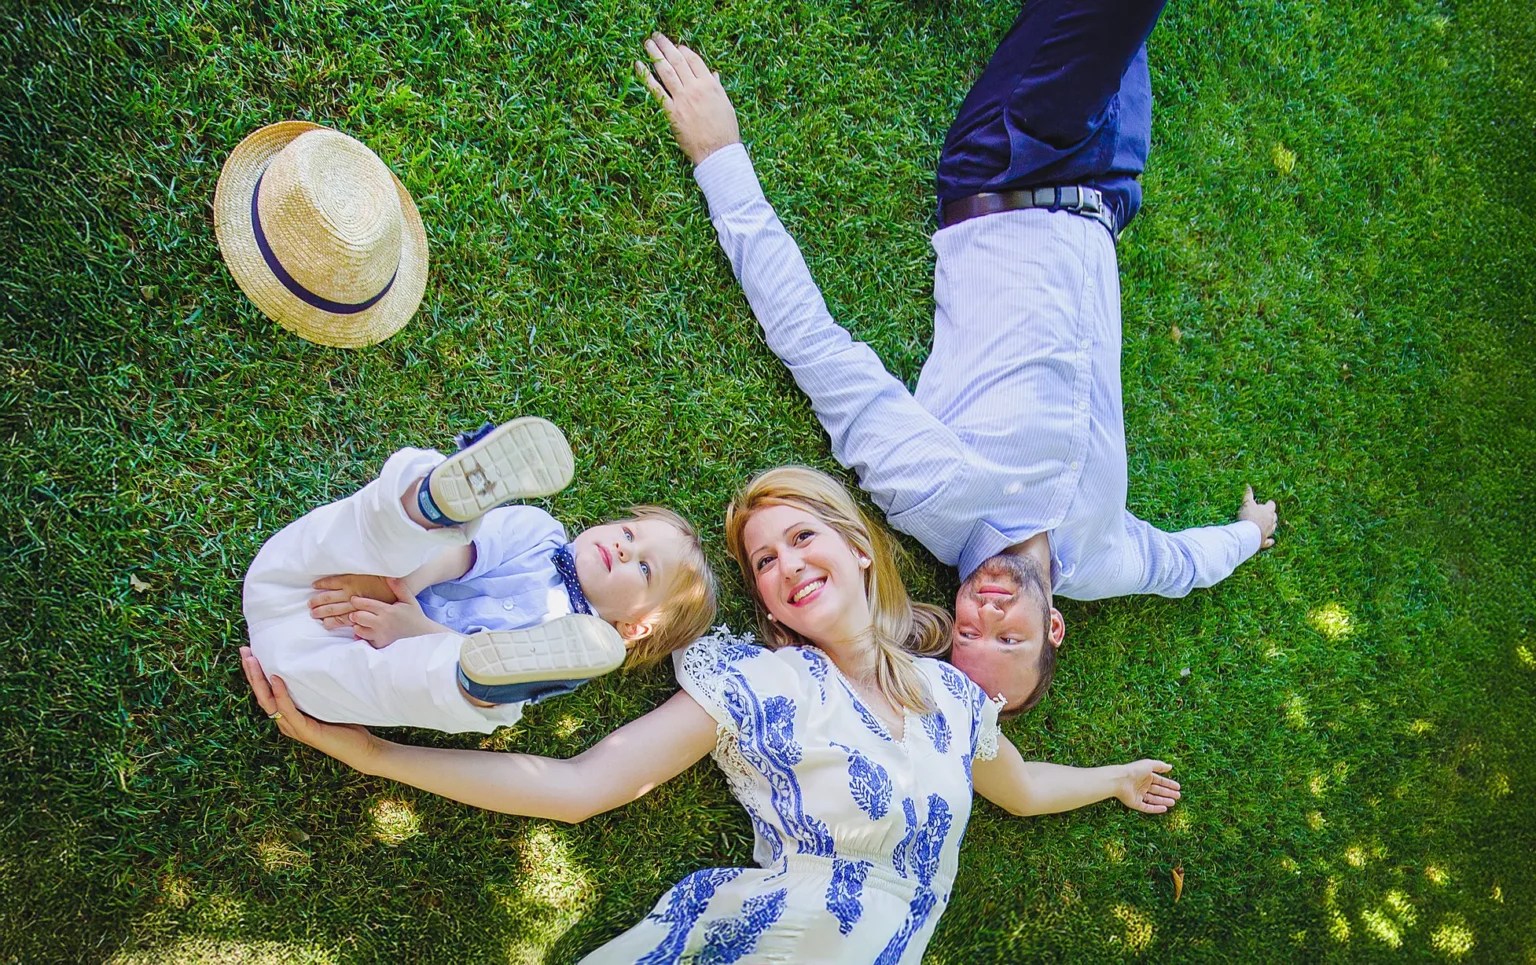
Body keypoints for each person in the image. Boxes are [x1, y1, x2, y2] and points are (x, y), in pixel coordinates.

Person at [242, 465, 1181, 963]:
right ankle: (447, 577)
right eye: (765, 564)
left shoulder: (954, 701)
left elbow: (1015, 789)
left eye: (801, 537)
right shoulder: (763, 686)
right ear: (768, 610)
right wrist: (371, 757)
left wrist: (1115, 779)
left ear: (857, 551)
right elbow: (582, 787)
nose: (785, 567)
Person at [635, 13, 1281, 718]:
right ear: (1053, 628)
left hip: (1017, 158)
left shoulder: (934, 496)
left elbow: (810, 341)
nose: (986, 609)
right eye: (1008, 635)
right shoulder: (1104, 561)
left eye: (968, 629)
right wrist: (1250, 533)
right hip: (1110, 191)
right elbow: (1183, 566)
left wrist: (719, 156)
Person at [243, 416, 717, 734]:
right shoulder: (539, 533)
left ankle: (480, 689)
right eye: (630, 532)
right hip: (328, 586)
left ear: (635, 628)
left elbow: (479, 650)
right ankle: (428, 504)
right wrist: (394, 585)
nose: (623, 546)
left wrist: (414, 633)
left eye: (644, 567)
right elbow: (459, 559)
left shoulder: (575, 647)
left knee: (440, 687)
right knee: (367, 538)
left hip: (333, 665)